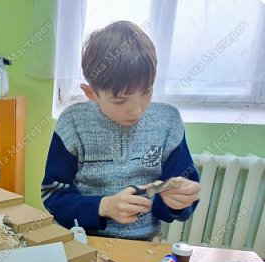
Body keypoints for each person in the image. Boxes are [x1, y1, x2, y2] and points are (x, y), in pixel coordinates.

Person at [41, 21, 200, 241]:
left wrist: (179, 202)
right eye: (119, 100)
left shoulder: (168, 122)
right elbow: (53, 194)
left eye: (146, 92)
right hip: (83, 240)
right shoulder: (73, 123)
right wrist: (103, 206)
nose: (136, 110)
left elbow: (178, 195)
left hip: (144, 244)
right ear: (91, 93)